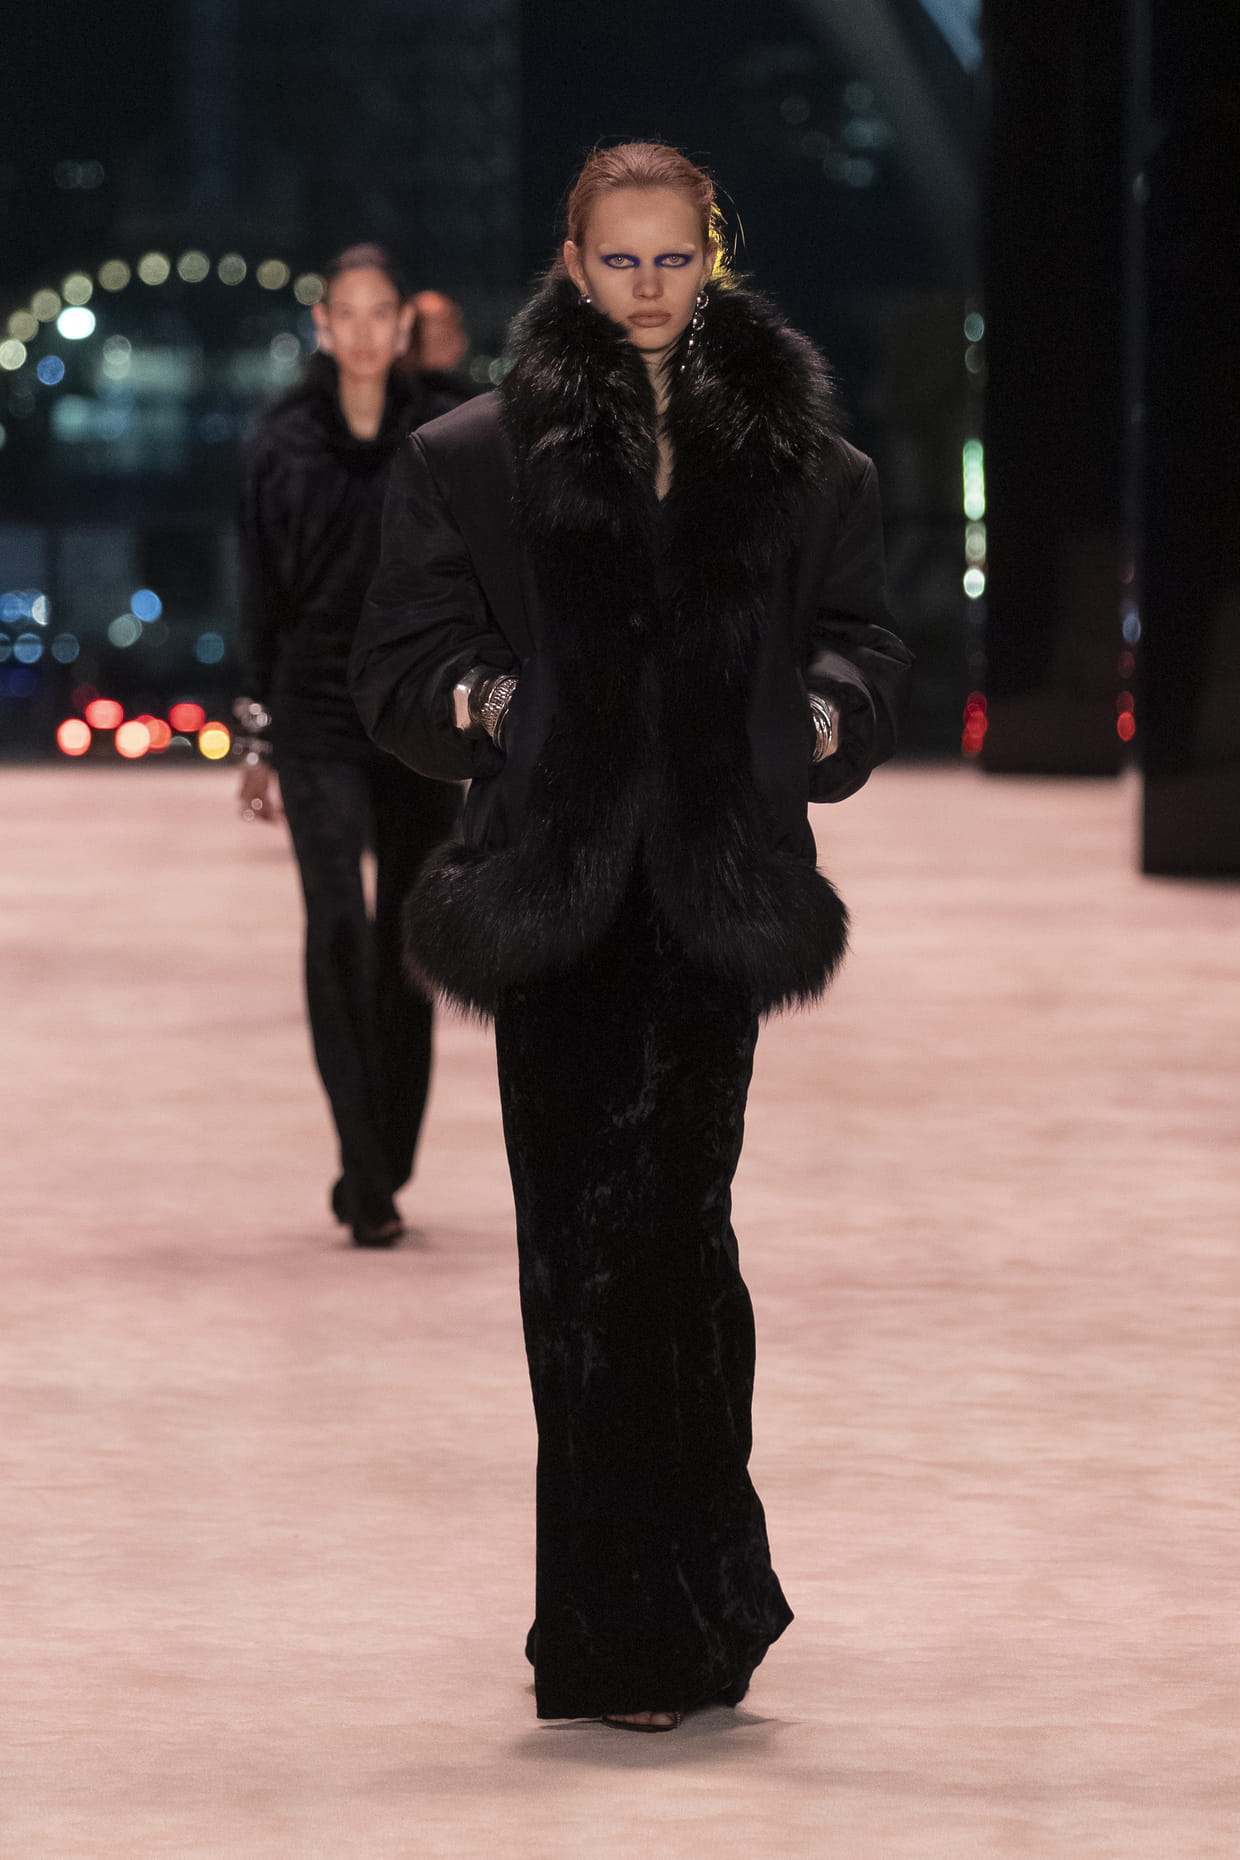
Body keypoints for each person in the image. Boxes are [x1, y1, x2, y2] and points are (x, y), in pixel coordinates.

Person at [351, 145, 913, 1724]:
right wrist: (499, 706)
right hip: (556, 897)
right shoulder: (475, 458)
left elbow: (866, 644)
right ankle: (629, 1630)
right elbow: (398, 664)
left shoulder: (808, 467)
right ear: (573, 262)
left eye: (674, 259)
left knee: (674, 1239)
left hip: (716, 896)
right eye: (621, 260)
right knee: (580, 1258)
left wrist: (814, 720)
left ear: (712, 255)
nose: (650, 288)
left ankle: (694, 1597)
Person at [234, 245, 464, 1248]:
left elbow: (483, 577)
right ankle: (365, 1169)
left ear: (403, 326)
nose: (366, 332)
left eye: (383, 314)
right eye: (348, 314)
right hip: (316, 707)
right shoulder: (279, 441)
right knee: (334, 924)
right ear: (322, 325)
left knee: (410, 934)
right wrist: (256, 738)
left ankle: (387, 1155)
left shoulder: (449, 430)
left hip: (417, 704)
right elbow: (259, 592)